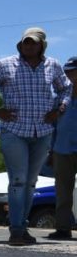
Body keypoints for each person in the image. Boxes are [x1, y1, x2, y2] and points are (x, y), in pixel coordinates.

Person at [0, 27, 72, 246]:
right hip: (15, 131)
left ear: (41, 45)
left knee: (30, 183)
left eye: (33, 43)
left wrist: (60, 109)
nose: (29, 46)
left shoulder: (53, 66)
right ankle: (16, 230)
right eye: (26, 42)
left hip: (42, 132)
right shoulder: (5, 64)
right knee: (18, 181)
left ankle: (23, 226)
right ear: (21, 44)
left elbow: (66, 88)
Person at [47, 56, 77, 240]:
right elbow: (53, 127)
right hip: (61, 150)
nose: (69, 77)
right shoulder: (59, 99)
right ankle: (63, 228)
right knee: (62, 191)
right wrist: (51, 150)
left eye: (73, 72)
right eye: (67, 73)